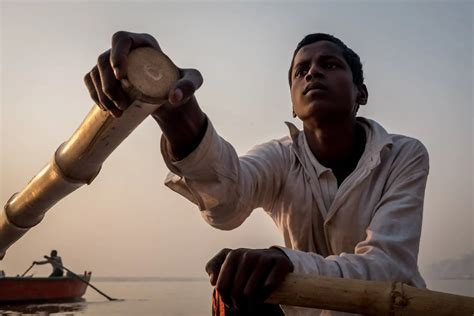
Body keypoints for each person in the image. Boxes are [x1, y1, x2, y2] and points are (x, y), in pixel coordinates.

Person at [84, 31, 429, 315]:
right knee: (237, 293)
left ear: (360, 93)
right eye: (301, 70)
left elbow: (388, 268)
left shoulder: (403, 155)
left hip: (392, 311)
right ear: (293, 105)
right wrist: (176, 112)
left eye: (330, 64)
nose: (312, 73)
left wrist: (287, 262)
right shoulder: (280, 157)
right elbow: (228, 199)